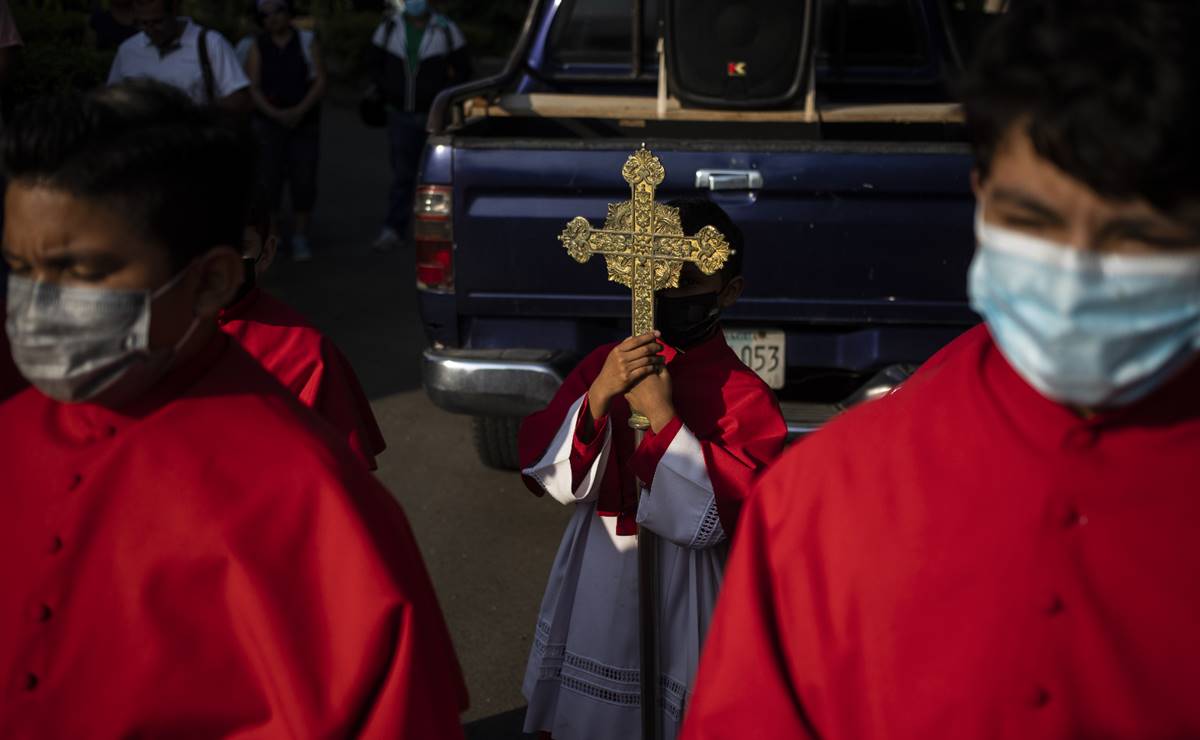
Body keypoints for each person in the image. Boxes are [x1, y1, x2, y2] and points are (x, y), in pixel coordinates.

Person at [680, 2, 1200, 738]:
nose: (1079, 274)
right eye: (1034, 221)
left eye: (1137, 238)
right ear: (981, 193)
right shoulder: (825, 499)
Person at [0, 80, 467, 737]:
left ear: (212, 279)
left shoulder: (310, 501)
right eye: (20, 269)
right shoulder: (10, 429)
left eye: (81, 272)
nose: (37, 306)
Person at [519, 199, 788, 740]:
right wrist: (597, 396)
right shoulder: (607, 364)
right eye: (651, 278)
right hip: (601, 565)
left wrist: (663, 417)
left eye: (684, 279)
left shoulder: (743, 392)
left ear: (728, 292)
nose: (662, 296)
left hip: (688, 584)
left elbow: (729, 513)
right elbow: (550, 473)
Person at [220, 186, 386, 469]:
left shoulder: (309, 356)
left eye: (239, 247)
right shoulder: (146, 337)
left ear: (267, 251)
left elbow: (340, 485)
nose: (217, 264)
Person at [367, 0, 470, 253]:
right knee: (402, 175)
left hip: (433, 117)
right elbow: (373, 64)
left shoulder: (446, 29)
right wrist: (389, 92)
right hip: (399, 114)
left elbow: (464, 71)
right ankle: (394, 228)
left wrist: (441, 99)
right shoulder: (389, 27)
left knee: (435, 177)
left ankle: (436, 234)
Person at [245, 0, 327, 262]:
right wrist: (275, 114)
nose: (272, 19)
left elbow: (320, 80)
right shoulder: (257, 46)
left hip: (304, 123)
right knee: (270, 182)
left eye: (278, 11)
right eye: (265, 15)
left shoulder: (306, 40)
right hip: (269, 125)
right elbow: (252, 86)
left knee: (304, 179)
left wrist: (299, 111)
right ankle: (277, 237)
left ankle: (301, 236)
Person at [107, 0, 251, 111]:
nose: (150, 30)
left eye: (158, 22)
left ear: (174, 11)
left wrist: (195, 113)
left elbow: (238, 98)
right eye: (143, 23)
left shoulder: (210, 43)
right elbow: (111, 98)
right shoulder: (128, 50)